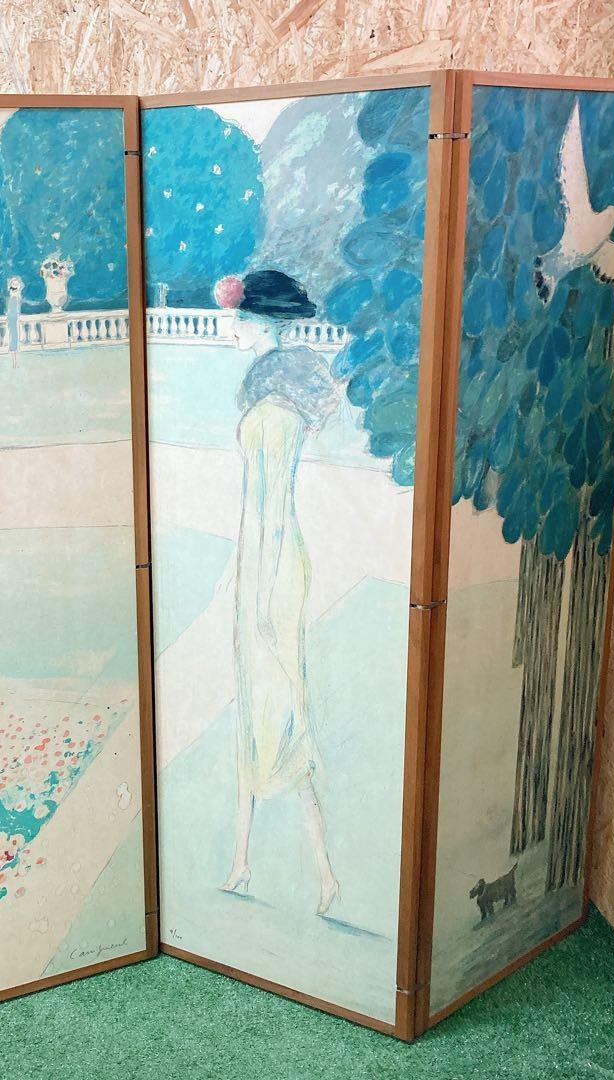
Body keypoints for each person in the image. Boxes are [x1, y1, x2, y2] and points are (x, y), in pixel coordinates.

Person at [218, 268, 342, 916]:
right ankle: (240, 861)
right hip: (259, 562)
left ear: (262, 323)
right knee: (254, 707)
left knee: (280, 711)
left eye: (238, 321)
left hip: (273, 566)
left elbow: (270, 510)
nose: (230, 331)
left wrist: (262, 594)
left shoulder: (276, 410)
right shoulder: (269, 396)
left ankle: (324, 872)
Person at [5, 276, 24, 368]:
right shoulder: (14, 297)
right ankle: (14, 363)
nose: (16, 286)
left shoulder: (15, 297)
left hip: (14, 320)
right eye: (14, 284)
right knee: (13, 340)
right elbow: (11, 311)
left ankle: (15, 363)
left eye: (17, 284)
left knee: (14, 341)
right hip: (12, 321)